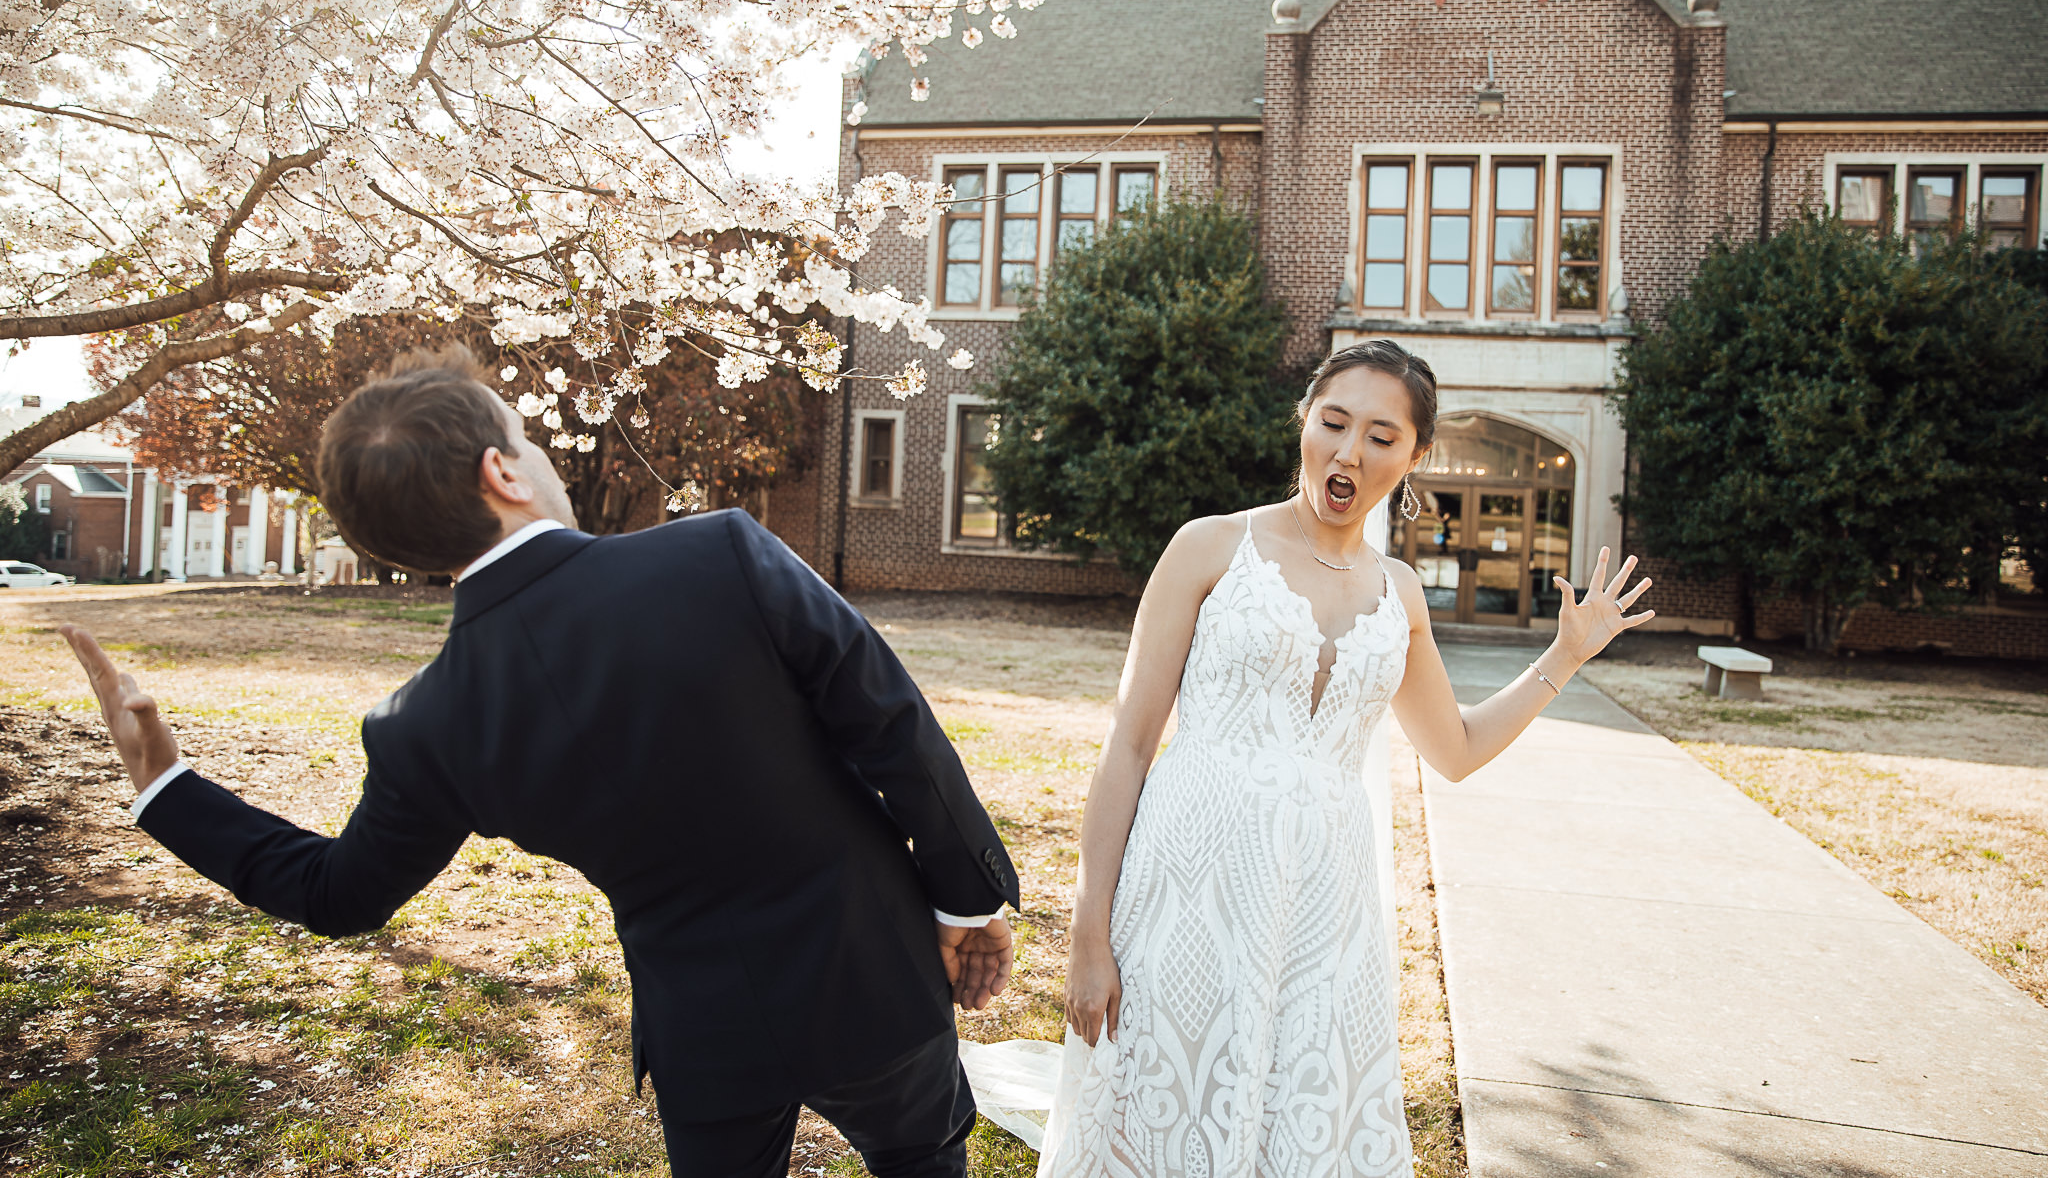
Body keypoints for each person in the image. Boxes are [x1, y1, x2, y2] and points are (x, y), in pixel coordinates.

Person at [60, 346, 1020, 1178]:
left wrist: (167, 791)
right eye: (528, 438)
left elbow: (336, 890)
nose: (545, 455)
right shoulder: (722, 557)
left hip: (707, 1036)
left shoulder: (426, 723)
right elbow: (895, 729)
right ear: (503, 473)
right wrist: (963, 905)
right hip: (873, 980)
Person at [1038, 340, 1653, 1177]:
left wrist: (1563, 661)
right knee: (1165, 1105)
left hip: (1323, 910)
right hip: (1188, 888)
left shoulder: (1399, 593)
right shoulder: (1208, 548)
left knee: (1292, 1118)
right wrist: (1088, 935)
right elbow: (1129, 746)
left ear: (1414, 455)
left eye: (1380, 436)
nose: (1349, 451)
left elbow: (1457, 749)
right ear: (1305, 420)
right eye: (1333, 422)